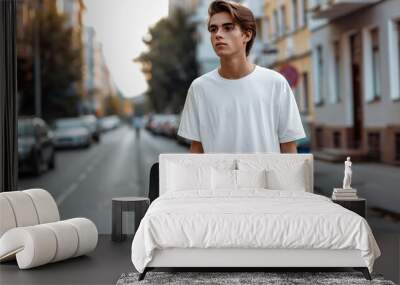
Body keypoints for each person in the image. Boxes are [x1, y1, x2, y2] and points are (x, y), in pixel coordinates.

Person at [177, 0, 305, 154]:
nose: (218, 34)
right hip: (217, 178)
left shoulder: (276, 83)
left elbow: (289, 149)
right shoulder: (199, 88)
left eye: (228, 27)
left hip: (265, 178)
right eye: (213, 29)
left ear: (246, 35)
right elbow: (196, 151)